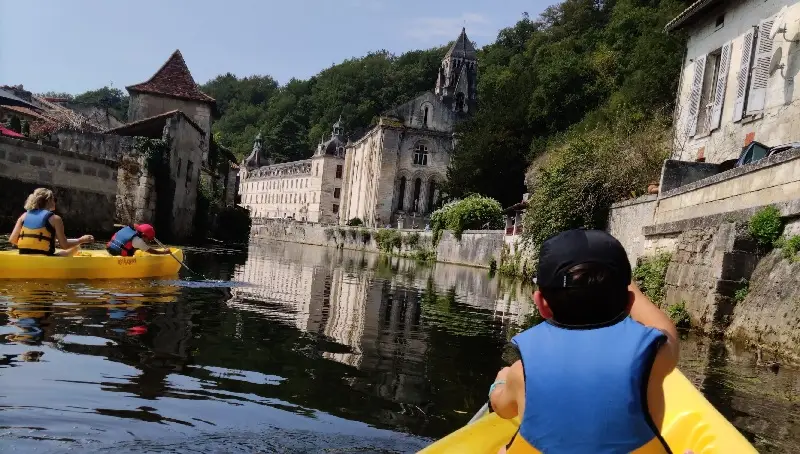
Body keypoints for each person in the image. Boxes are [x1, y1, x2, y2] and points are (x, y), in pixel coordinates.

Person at [489, 229, 680, 454]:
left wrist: (500, 381)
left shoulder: (521, 374)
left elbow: (502, 408)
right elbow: (666, 330)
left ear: (541, 303)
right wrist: (622, 284)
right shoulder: (655, 355)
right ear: (630, 302)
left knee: (504, 450)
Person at [9, 188, 94, 256]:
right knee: (75, 247)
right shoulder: (56, 219)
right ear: (49, 200)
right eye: (54, 199)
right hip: (45, 259)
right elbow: (64, 246)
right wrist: (81, 240)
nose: (55, 202)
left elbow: (13, 240)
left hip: (23, 256)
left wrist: (32, 244)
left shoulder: (24, 216)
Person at [106, 223, 171, 256]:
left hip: (109, 248)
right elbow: (152, 251)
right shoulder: (138, 241)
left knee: (132, 249)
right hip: (116, 253)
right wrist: (164, 252)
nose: (148, 241)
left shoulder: (130, 228)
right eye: (148, 239)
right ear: (144, 236)